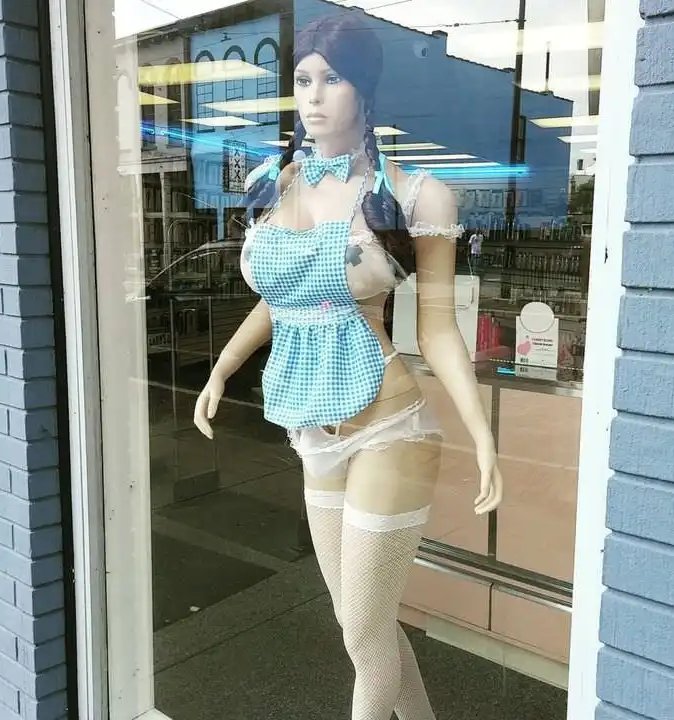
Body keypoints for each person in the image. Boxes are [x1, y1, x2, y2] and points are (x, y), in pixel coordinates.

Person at [194, 12, 503, 720]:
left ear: (365, 89)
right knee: (362, 630)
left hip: (389, 426)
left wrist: (482, 431)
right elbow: (281, 297)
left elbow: (437, 329)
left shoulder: (416, 194)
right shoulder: (276, 182)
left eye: (332, 78)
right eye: (303, 79)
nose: (313, 94)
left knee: (364, 632)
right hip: (313, 430)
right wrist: (222, 368)